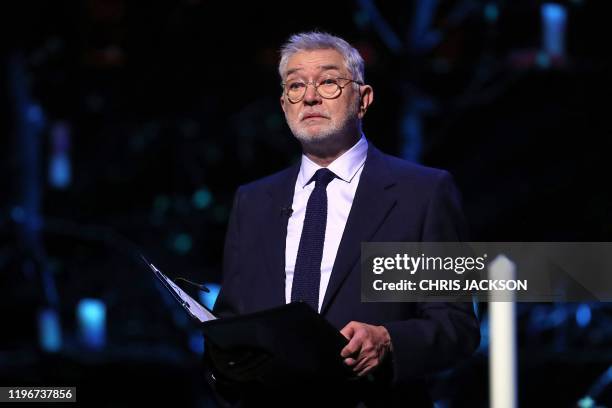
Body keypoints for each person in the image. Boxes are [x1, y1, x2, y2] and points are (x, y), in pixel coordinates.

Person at [204, 31, 480, 407]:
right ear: (284, 104)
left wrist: (388, 341)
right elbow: (231, 324)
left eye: (329, 82)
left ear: (363, 100)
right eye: (296, 86)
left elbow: (456, 326)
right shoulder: (252, 201)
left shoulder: (422, 194)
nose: (311, 97)